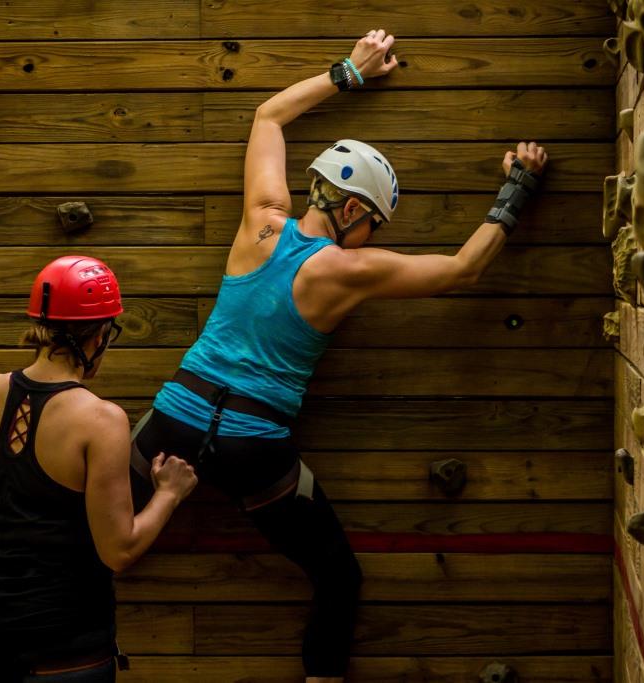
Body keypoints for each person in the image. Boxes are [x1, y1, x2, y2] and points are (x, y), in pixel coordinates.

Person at [130, 29, 548, 682]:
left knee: (83, 529)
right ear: (352, 207)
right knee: (338, 576)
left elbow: (267, 115)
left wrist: (350, 72)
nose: (369, 238)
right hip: (254, 449)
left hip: (174, 418)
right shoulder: (347, 271)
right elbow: (463, 270)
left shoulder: (261, 221)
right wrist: (519, 186)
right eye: (371, 225)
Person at [0, 255, 198, 682]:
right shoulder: (100, 420)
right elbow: (118, 550)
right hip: (64, 647)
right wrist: (169, 493)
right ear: (98, 337)